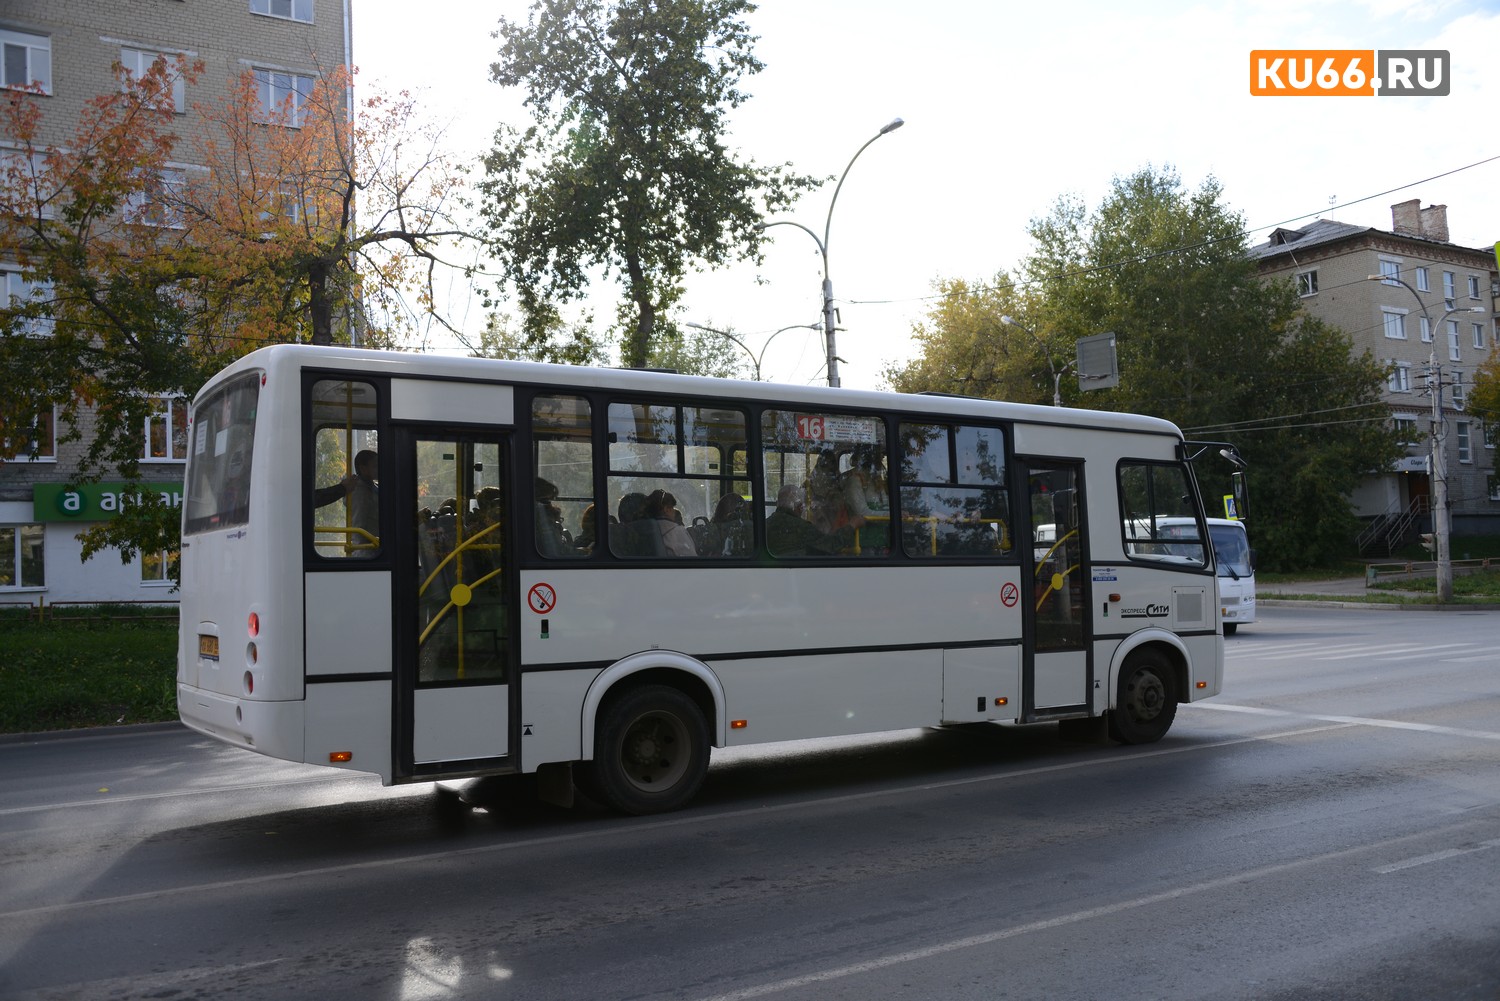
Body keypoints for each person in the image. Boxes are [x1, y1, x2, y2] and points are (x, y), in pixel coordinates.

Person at [313, 448, 379, 555]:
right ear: (363, 469)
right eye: (375, 466)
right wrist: (361, 548)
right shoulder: (359, 491)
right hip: (368, 549)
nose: (379, 468)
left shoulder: (372, 487)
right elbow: (358, 523)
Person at [766, 483, 838, 557]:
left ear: (777, 503)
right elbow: (830, 546)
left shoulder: (764, 526)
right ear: (800, 507)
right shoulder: (804, 528)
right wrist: (848, 529)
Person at [644, 489, 697, 557]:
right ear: (666, 509)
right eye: (672, 508)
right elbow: (692, 559)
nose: (674, 512)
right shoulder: (677, 531)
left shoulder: (643, 529)